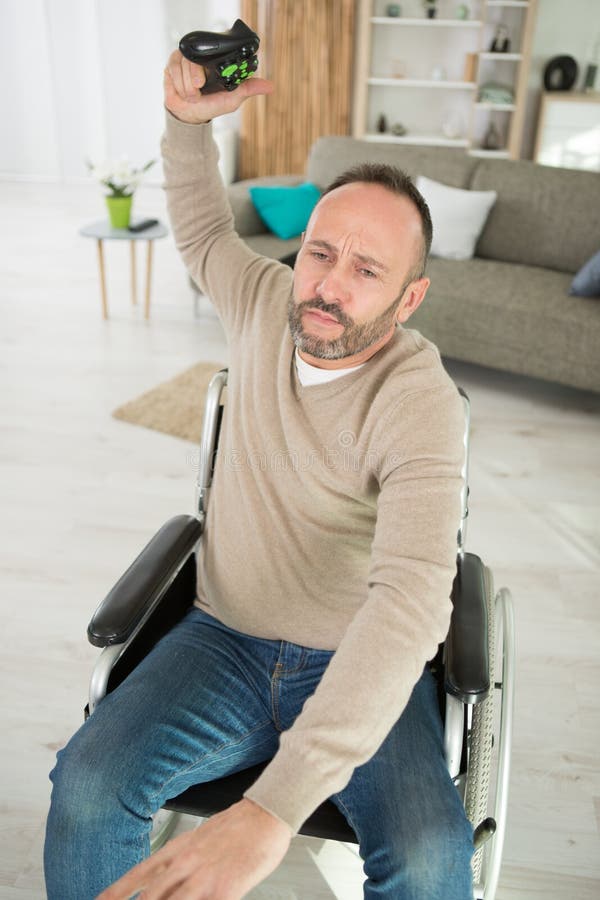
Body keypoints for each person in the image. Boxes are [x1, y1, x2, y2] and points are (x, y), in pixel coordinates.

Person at [44, 48, 473, 900]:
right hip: (222, 640)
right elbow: (204, 231)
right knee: (88, 795)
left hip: (357, 659)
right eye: (320, 254)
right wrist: (186, 125)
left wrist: (272, 810)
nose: (327, 287)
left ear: (410, 299)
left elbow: (412, 598)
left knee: (430, 864)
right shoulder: (264, 302)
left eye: (366, 271)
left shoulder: (422, 403)